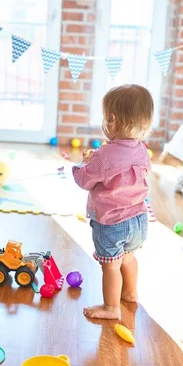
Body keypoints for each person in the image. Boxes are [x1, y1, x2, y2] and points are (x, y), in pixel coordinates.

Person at [72, 84, 153, 319]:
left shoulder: (104, 156)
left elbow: (84, 180)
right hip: (139, 219)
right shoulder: (142, 150)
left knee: (110, 266)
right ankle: (130, 293)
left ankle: (111, 308)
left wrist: (83, 164)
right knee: (129, 257)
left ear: (113, 121)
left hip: (112, 224)